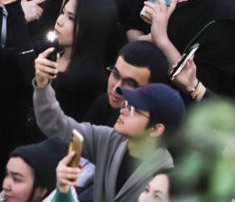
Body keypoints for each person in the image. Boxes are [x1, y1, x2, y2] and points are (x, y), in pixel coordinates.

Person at [33, 59, 181, 202]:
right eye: (127, 103)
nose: (123, 110)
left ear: (155, 129)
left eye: (134, 109)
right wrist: (42, 84)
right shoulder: (109, 139)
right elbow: (56, 124)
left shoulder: (165, 177)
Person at [81, 40, 169, 126]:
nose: (116, 88)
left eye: (129, 83)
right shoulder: (103, 103)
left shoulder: (154, 128)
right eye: (115, 74)